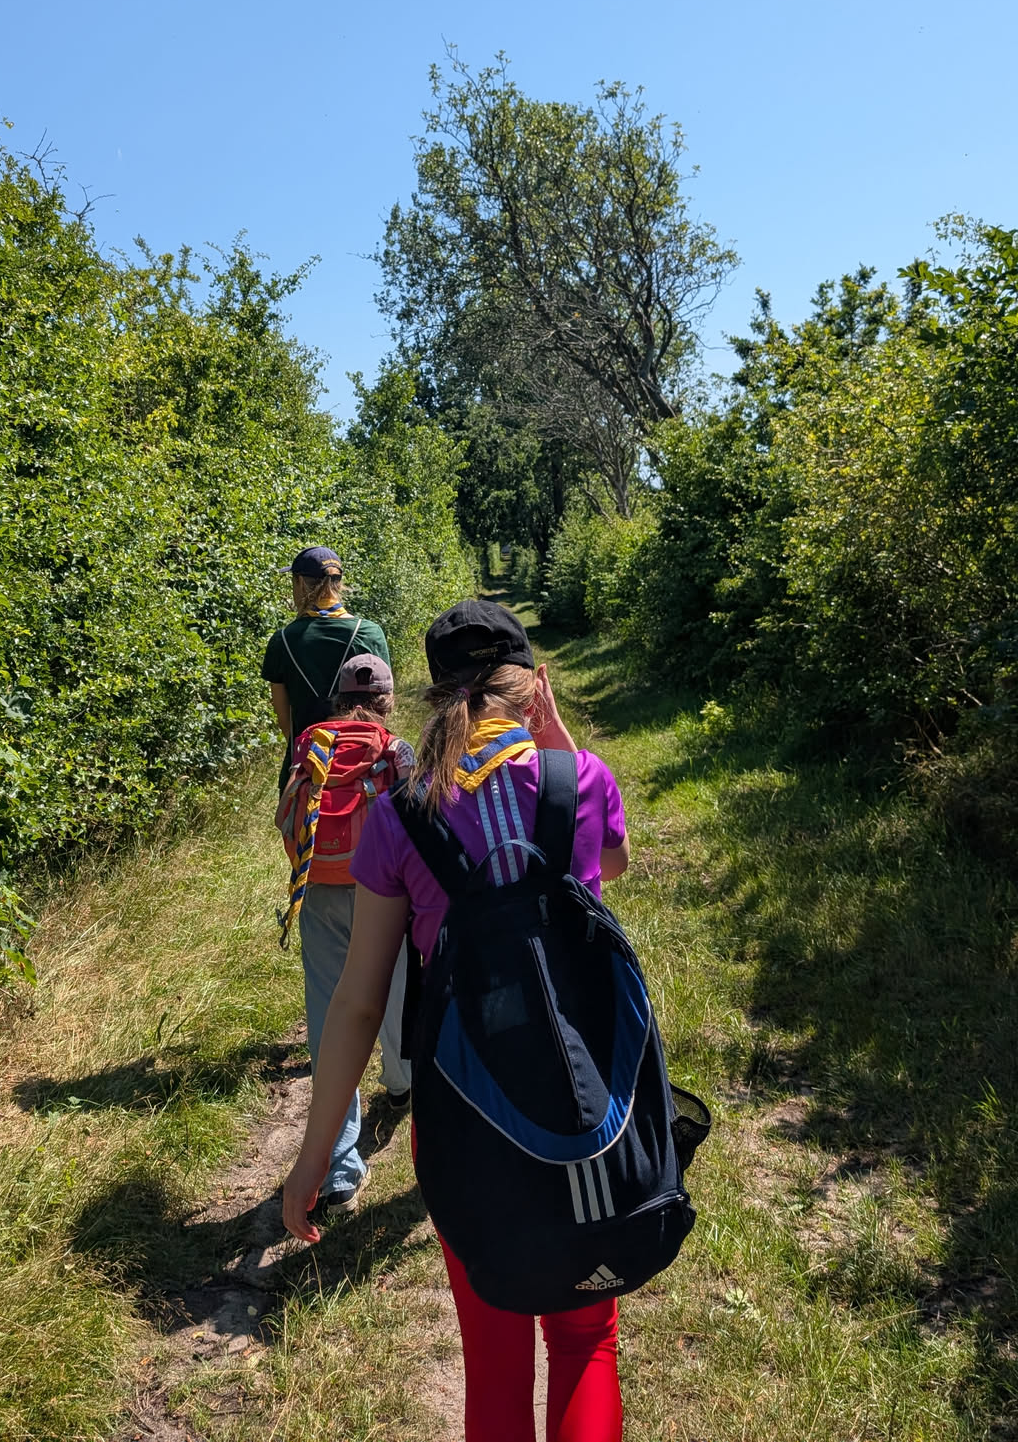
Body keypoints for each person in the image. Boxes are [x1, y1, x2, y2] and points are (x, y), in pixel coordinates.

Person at [281, 600, 632, 1442]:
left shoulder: (403, 813)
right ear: (533, 686)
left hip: (465, 1118)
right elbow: (614, 861)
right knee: (585, 1341)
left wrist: (313, 1157)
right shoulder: (580, 780)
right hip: (585, 1105)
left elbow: (359, 1003)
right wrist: (559, 739)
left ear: (435, 697)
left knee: (495, 1358)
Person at [275, 651, 414, 1211]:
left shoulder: (311, 744)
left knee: (329, 1013)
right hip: (386, 890)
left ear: (338, 698)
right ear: (386, 700)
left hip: (321, 886)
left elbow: (288, 815)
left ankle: (339, 1169)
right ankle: (400, 1083)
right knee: (397, 992)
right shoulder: (394, 748)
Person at [261, 546, 391, 796]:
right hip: (363, 768)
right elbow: (383, 705)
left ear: (299, 582)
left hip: (303, 770)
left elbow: (284, 719)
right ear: (338, 583)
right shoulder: (369, 633)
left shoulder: (283, 640)